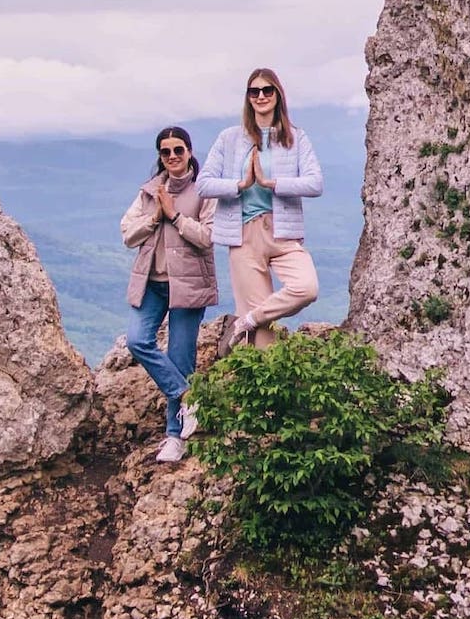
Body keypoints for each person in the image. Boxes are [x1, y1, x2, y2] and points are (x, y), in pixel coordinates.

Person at [198, 68, 321, 352]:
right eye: (254, 91)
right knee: (264, 340)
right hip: (244, 235)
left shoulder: (295, 138)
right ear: (248, 97)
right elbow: (203, 184)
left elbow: (315, 183)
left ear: (278, 95)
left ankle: (246, 321)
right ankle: (255, 351)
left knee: (306, 287)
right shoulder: (229, 138)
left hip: (282, 231)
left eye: (267, 90)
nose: (261, 96)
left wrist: (271, 183)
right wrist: (240, 185)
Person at [121, 125, 218, 464]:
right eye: (166, 151)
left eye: (179, 150)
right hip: (152, 282)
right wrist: (155, 217)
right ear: (160, 156)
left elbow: (208, 237)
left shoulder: (205, 190)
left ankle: (175, 437)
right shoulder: (150, 191)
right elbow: (127, 233)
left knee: (180, 358)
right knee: (137, 340)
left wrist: (175, 216)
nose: (173, 156)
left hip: (188, 285)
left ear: (189, 152)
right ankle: (188, 396)